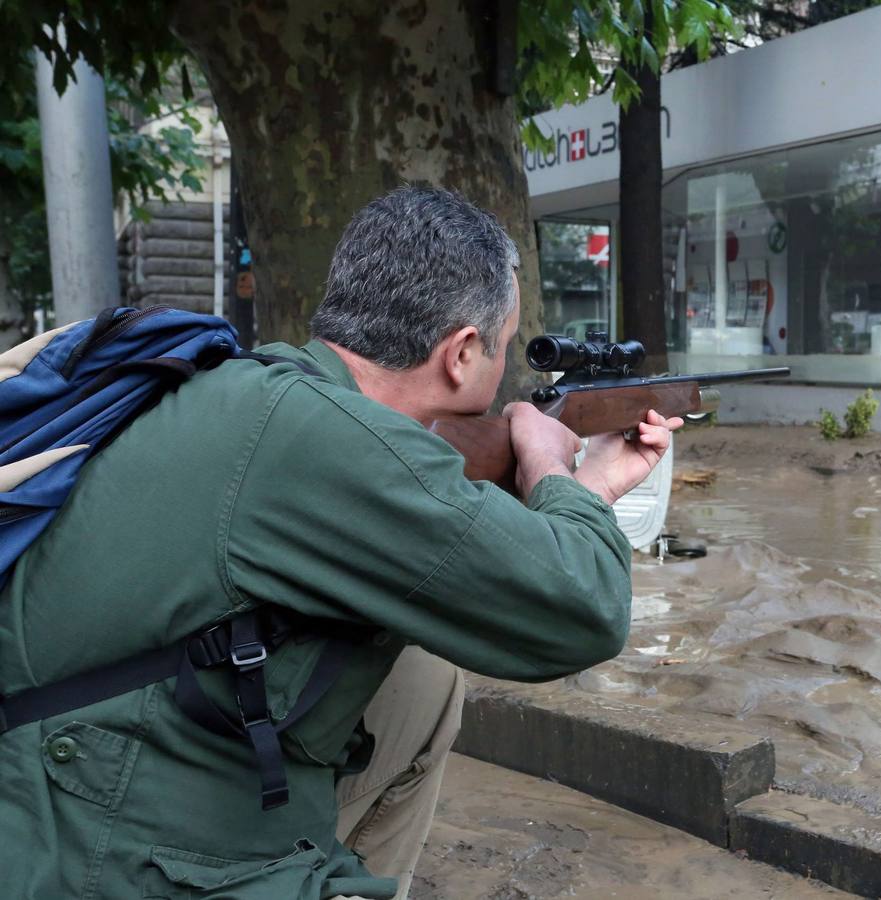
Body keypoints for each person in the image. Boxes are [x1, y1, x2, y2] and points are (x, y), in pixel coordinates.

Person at [0, 186, 679, 899]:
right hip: (82, 828)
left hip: (84, 753)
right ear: (462, 353)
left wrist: (576, 484)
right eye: (505, 349)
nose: (505, 371)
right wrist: (556, 467)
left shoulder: (266, 387)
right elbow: (582, 609)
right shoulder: (326, 444)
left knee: (422, 686)